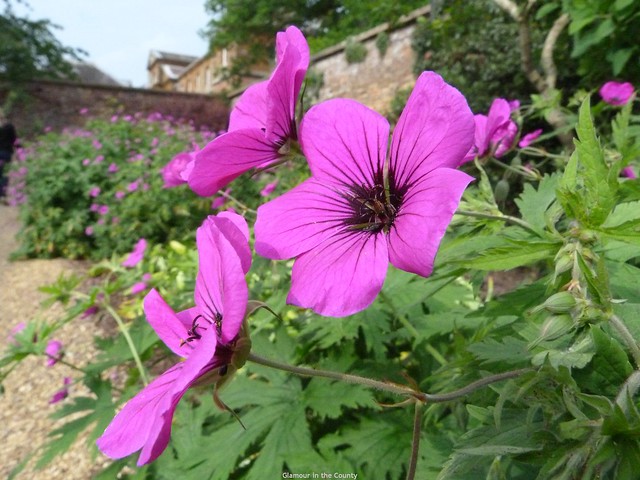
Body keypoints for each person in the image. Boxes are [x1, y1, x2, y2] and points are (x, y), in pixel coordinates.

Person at [0, 110, 18, 198]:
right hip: (6, 153)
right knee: (4, 174)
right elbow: (14, 140)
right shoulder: (9, 126)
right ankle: (2, 194)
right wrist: (21, 150)